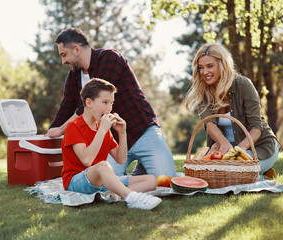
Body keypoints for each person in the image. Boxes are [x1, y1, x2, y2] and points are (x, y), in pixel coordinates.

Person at [46, 27, 176, 178]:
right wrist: (52, 130)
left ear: (76, 49)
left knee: (166, 179)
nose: (63, 61)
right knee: (105, 184)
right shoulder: (73, 77)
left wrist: (62, 129)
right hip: (110, 140)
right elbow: (66, 106)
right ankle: (142, 172)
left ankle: (145, 164)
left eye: (64, 54)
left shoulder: (110, 58)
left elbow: (97, 99)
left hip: (141, 130)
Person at [61, 78, 162, 210]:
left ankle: (115, 195)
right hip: (76, 182)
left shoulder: (103, 128)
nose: (109, 108)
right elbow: (87, 160)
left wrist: (122, 133)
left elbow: (121, 159)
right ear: (89, 102)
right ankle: (132, 198)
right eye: (105, 102)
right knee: (103, 165)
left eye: (111, 103)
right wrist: (102, 130)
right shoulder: (73, 126)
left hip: (101, 181)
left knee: (151, 180)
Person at [185, 43, 280, 180]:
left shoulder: (243, 85)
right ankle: (258, 173)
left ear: (222, 64)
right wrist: (224, 144)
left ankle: (257, 172)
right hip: (224, 150)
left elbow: (256, 128)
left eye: (210, 66)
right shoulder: (203, 92)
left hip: (260, 147)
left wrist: (238, 152)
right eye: (201, 67)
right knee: (215, 175)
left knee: (233, 175)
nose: (205, 72)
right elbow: (209, 124)